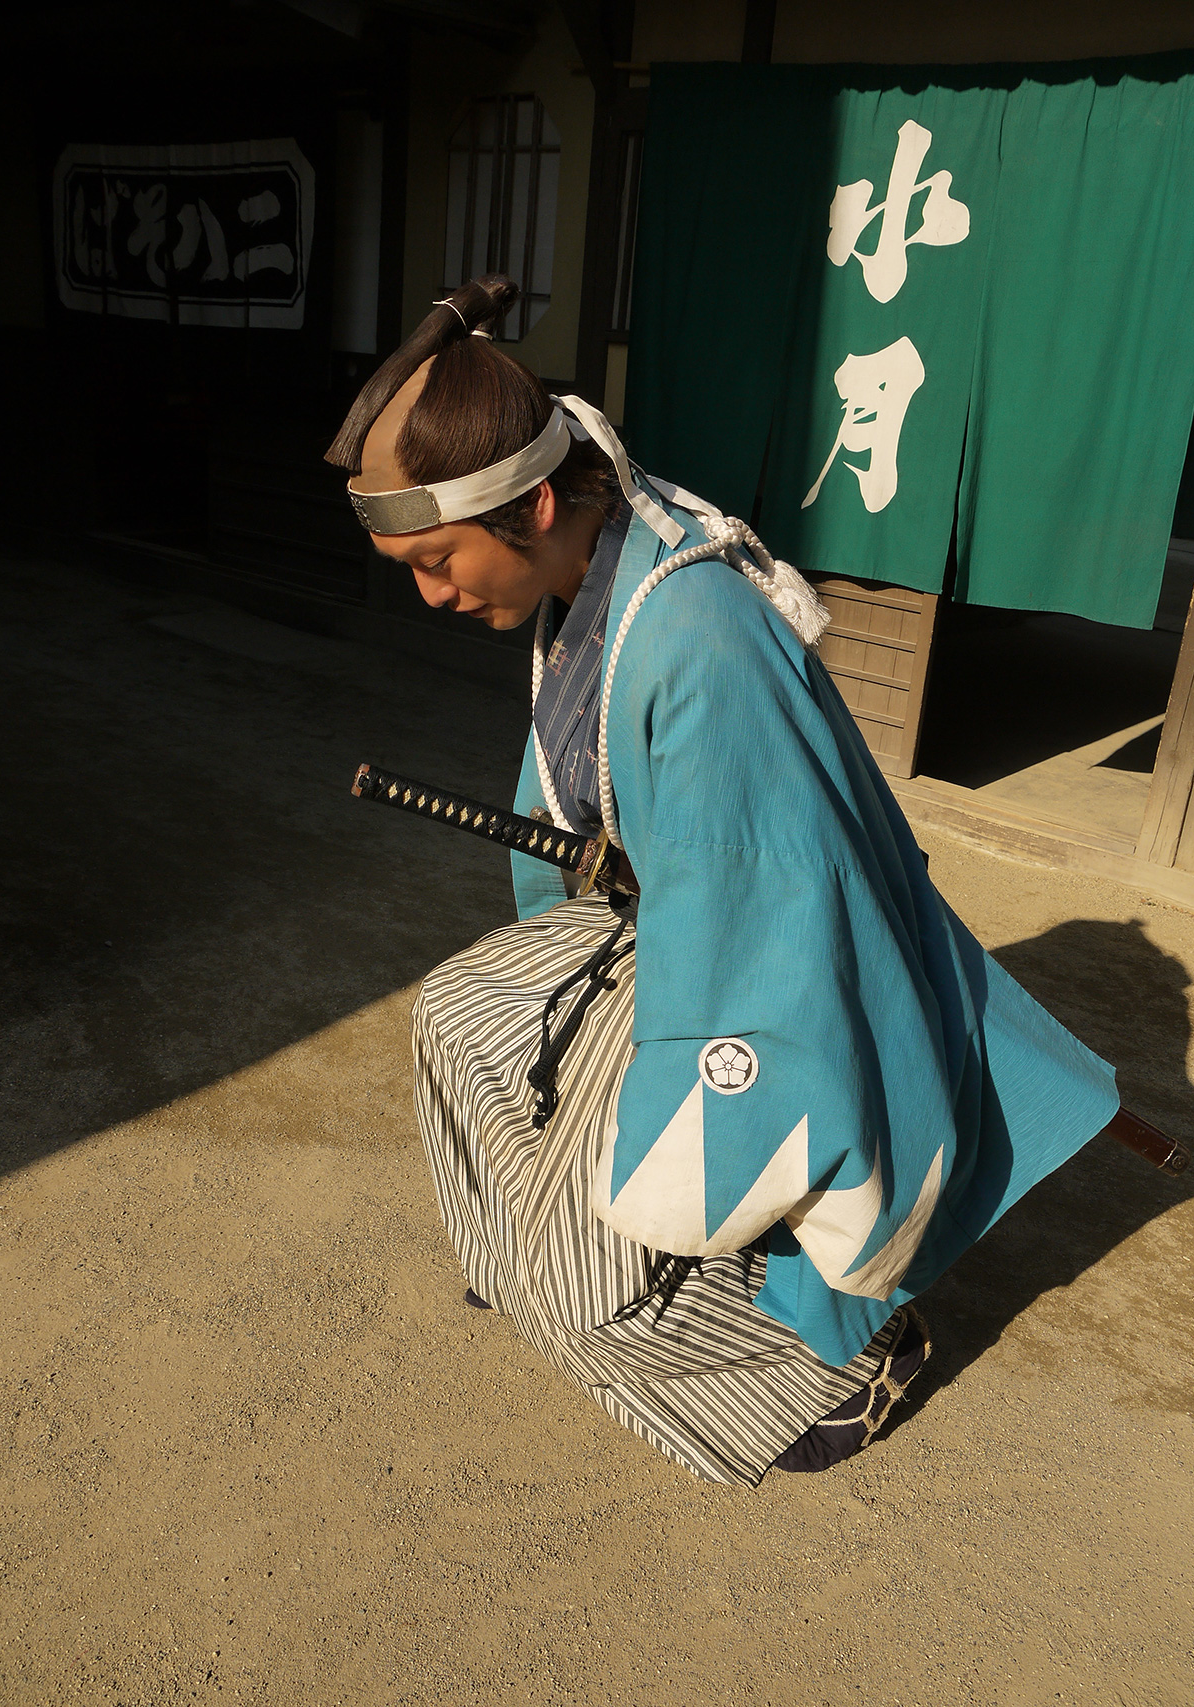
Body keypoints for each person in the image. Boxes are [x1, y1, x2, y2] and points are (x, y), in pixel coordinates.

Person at [326, 274, 1120, 1487]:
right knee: (463, 1017)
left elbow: (757, 921)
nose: (431, 594)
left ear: (532, 503)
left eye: (436, 560)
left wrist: (634, 1110)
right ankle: (548, 1240)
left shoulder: (696, 645)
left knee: (589, 1263)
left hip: (770, 964)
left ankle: (837, 1362)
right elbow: (573, 799)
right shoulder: (588, 558)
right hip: (666, 917)